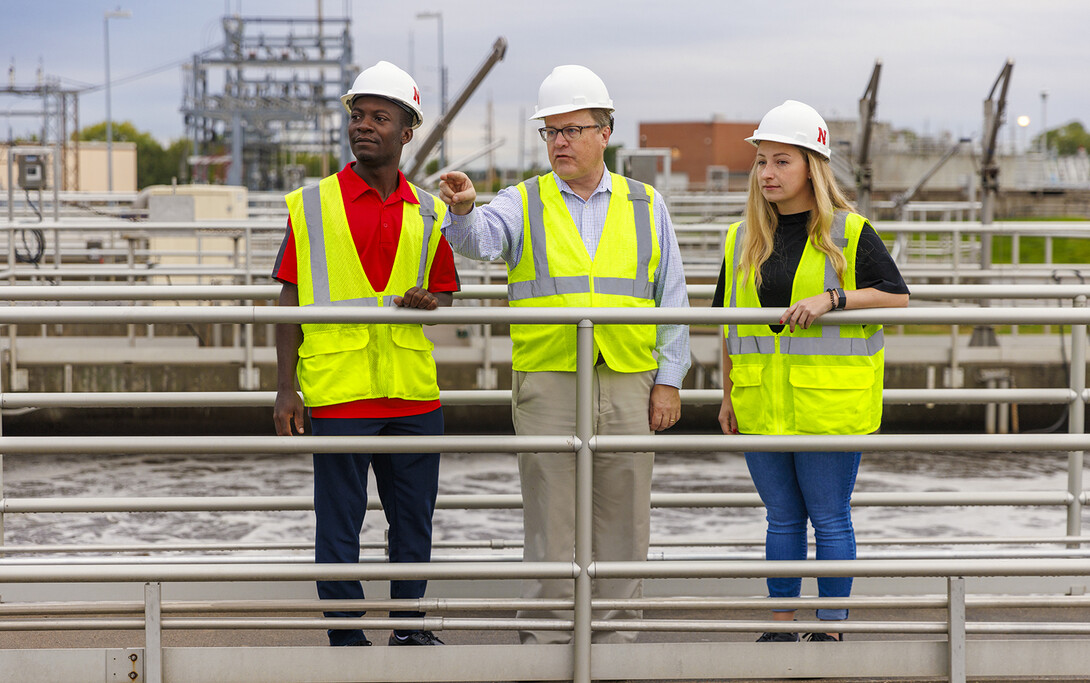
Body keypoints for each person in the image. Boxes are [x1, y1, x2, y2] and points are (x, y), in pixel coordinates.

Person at [438, 64, 690, 645]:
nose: (559, 142)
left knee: (625, 519)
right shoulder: (520, 200)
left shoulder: (647, 204)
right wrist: (464, 210)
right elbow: (481, 242)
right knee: (550, 519)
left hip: (629, 377)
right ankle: (546, 640)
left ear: (605, 133)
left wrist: (669, 380)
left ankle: (616, 638)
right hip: (548, 380)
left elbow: (671, 299)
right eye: (551, 132)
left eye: (572, 130)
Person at [272, 60, 459, 648]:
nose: (364, 126)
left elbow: (447, 293)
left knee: (413, 521)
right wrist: (285, 387)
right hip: (339, 390)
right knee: (339, 525)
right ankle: (346, 640)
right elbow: (288, 300)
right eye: (357, 116)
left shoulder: (430, 210)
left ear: (408, 133)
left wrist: (431, 300)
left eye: (380, 117)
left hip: (411, 392)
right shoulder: (311, 205)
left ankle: (408, 626)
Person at [713, 100, 909, 643]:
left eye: (782, 162)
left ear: (811, 168)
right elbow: (727, 325)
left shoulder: (850, 231)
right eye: (762, 162)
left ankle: (830, 628)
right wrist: (727, 395)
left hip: (829, 402)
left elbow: (897, 297)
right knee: (780, 519)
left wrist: (834, 298)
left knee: (828, 518)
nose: (768, 173)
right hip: (761, 401)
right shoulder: (739, 238)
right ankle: (780, 626)